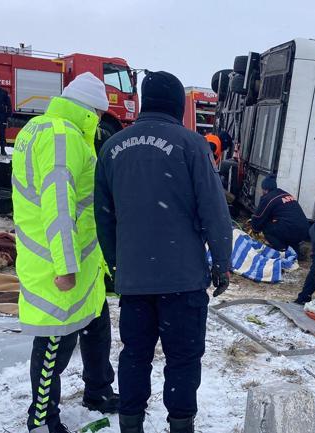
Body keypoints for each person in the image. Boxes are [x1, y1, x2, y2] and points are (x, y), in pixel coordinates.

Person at [94, 71, 232, 433]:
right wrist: (222, 262)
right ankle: (181, 424)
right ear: (176, 104)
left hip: (135, 279)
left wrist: (115, 264)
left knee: (135, 355)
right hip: (182, 279)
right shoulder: (192, 145)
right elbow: (215, 212)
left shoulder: (111, 148)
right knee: (183, 357)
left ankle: (131, 423)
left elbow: (103, 217)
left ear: (143, 100)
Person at [12, 72, 118, 433]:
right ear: (91, 110)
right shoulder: (63, 137)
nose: (101, 121)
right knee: (55, 343)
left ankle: (98, 391)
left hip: (84, 260)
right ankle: (41, 419)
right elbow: (58, 204)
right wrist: (65, 265)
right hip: (59, 262)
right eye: (100, 114)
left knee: (96, 326)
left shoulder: (42, 129)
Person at [249, 175, 309, 255]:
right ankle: (297, 250)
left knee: (266, 227)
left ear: (265, 189)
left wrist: (254, 229)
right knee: (282, 226)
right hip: (304, 228)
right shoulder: (284, 193)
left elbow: (259, 217)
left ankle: (282, 250)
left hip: (291, 229)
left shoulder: (268, 198)